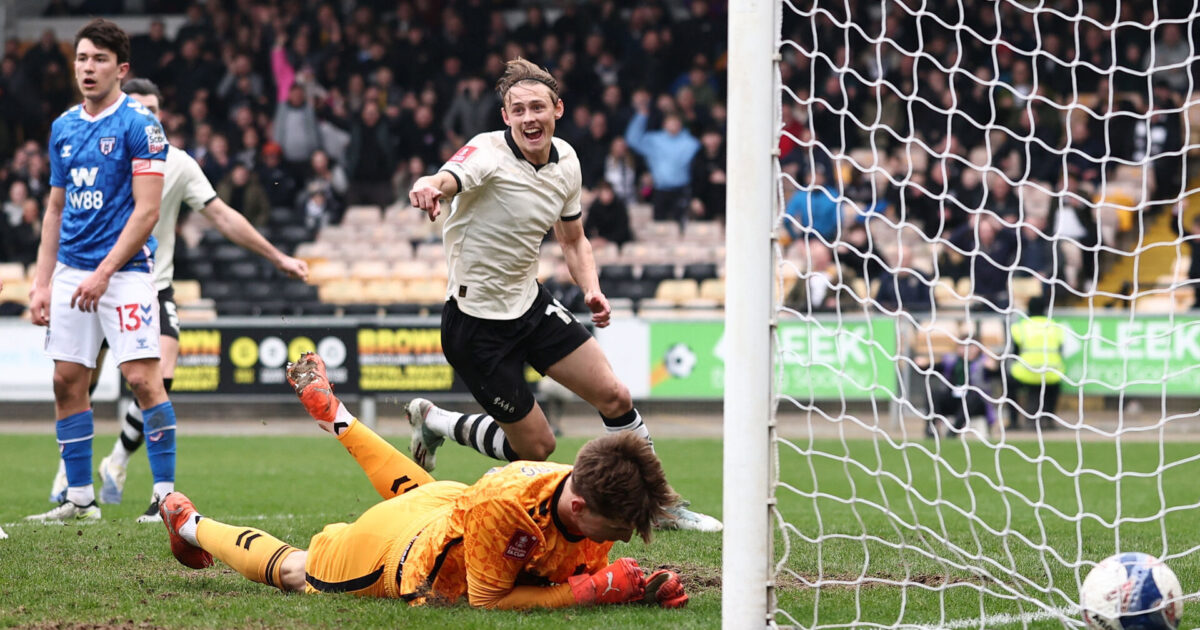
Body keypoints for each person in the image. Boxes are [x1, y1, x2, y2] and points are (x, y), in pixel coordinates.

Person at [406, 58, 720, 532]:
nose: (528, 117)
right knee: (537, 447)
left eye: (538, 107)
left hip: (530, 304)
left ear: (558, 109)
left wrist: (592, 289)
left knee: (615, 395)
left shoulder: (567, 161)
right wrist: (427, 185)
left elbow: (573, 240)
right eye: (518, 110)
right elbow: (446, 177)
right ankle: (436, 421)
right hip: (475, 324)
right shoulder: (486, 152)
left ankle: (660, 505)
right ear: (506, 117)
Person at [158, 352, 689, 610]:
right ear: (580, 508)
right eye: (618, 527)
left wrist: (641, 587)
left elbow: (571, 566)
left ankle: (338, 417)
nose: (623, 537)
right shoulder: (510, 508)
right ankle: (189, 524)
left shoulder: (582, 484)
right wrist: (591, 591)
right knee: (299, 569)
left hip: (446, 504)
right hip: (399, 555)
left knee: (431, 498)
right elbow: (488, 602)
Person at [46, 77, 310, 522]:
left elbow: (222, 215)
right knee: (74, 384)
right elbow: (60, 207)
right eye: (138, 107)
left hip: (149, 285)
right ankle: (74, 484)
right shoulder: (95, 149)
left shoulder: (178, 163)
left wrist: (277, 256)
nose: (145, 116)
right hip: (90, 284)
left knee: (156, 379)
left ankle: (138, 477)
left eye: (153, 109)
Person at [26, 19, 173, 522]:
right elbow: (54, 210)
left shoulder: (140, 125)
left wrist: (105, 272)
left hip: (125, 272)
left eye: (100, 60)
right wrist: (42, 284)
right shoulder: (63, 127)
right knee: (66, 380)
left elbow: (147, 212)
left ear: (121, 68)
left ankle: (166, 499)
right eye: (82, 58)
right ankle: (80, 498)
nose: (88, 68)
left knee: (143, 379)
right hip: (72, 272)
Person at [1005, 295, 1065, 431]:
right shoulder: (1055, 326)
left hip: (1026, 373)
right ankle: (1048, 419)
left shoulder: (1020, 327)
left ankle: (1014, 421)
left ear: (1028, 309)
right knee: (1055, 384)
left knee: (1009, 383)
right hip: (1050, 373)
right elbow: (1061, 351)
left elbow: (1014, 353)